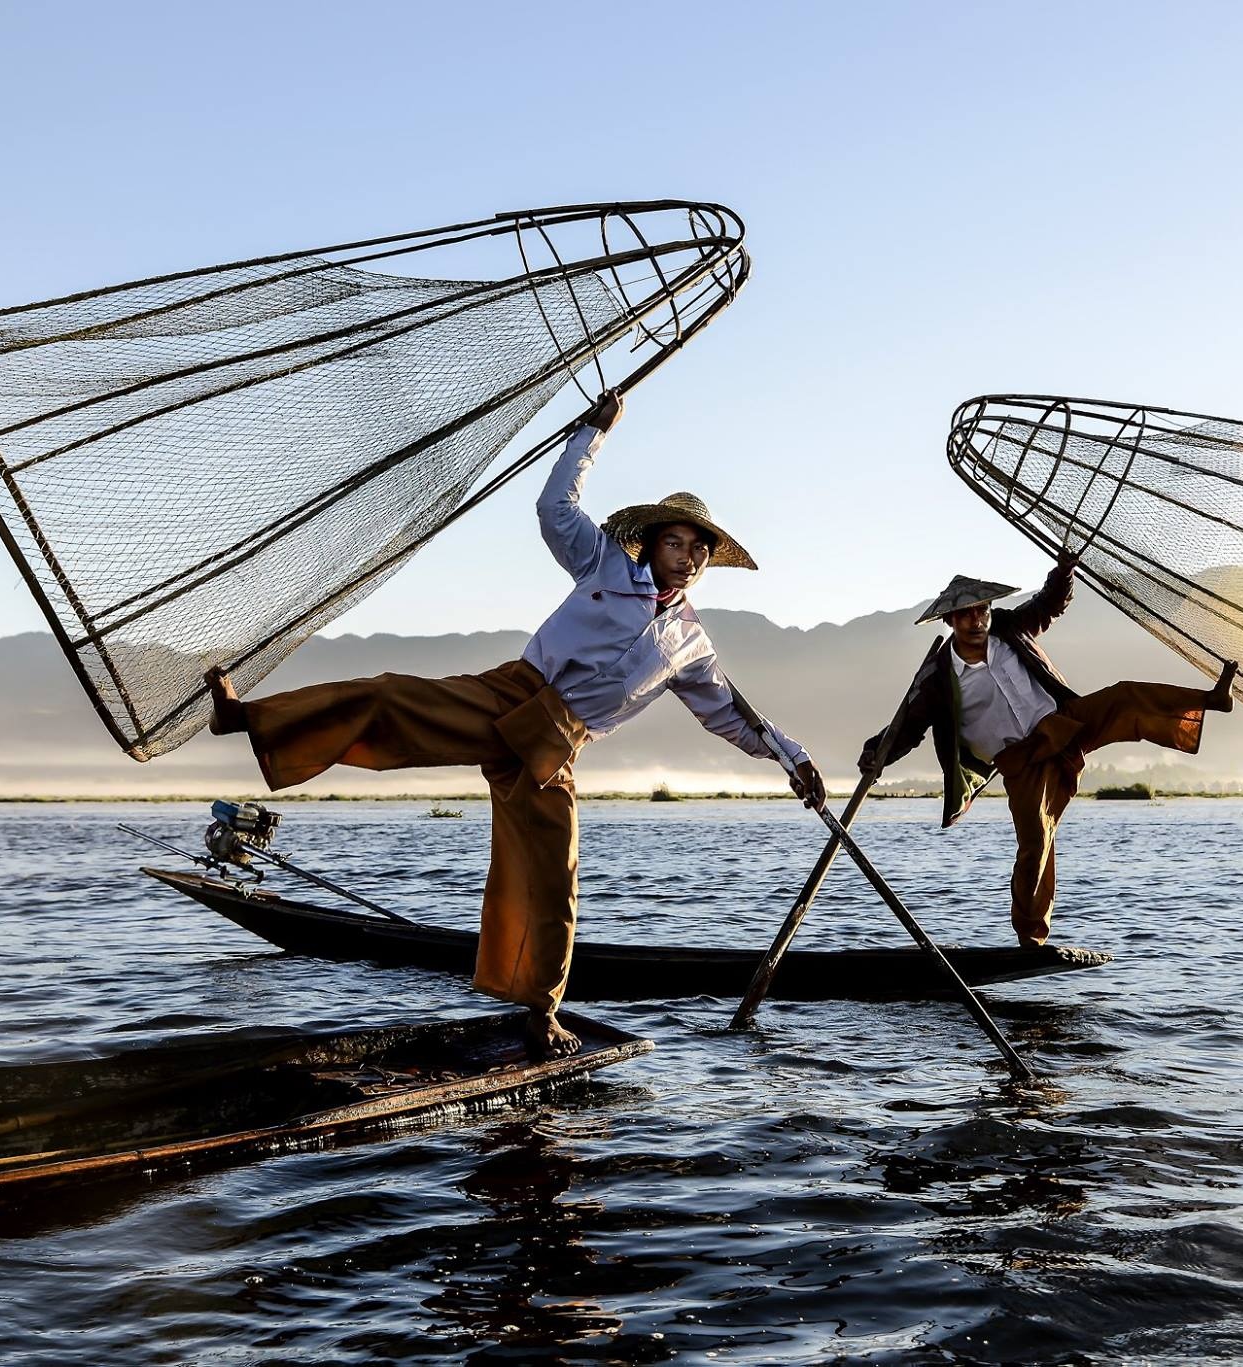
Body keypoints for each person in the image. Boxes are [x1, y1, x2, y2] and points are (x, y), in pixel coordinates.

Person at [204, 390, 824, 1059]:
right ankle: (244, 717)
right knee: (388, 696)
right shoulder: (606, 562)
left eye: (698, 550)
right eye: (676, 542)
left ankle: (539, 1012)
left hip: (557, 740)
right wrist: (593, 432)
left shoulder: (689, 645)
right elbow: (554, 508)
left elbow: (732, 715)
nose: (687, 556)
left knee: (553, 876)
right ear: (652, 543)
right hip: (512, 691)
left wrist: (797, 762)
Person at [857, 558, 1235, 948]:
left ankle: (1211, 699)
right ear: (950, 622)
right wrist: (875, 754)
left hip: (1063, 722)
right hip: (1023, 759)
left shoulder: (1008, 628)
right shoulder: (938, 678)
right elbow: (907, 727)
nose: (977, 620)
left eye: (981, 610)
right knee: (1036, 840)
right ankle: (1030, 935)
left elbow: (1048, 605)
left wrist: (1064, 572)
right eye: (966, 614)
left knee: (1123, 697)